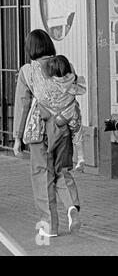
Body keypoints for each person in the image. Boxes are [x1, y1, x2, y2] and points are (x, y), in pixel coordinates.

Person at [13, 29, 81, 237]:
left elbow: (23, 105)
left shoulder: (27, 71)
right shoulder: (64, 65)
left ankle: (48, 226)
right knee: (62, 170)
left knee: (42, 176)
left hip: (39, 130)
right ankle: (71, 206)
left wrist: (17, 138)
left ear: (30, 48)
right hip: (62, 128)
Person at [39, 55, 86, 172]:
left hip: (58, 116)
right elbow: (82, 90)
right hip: (72, 113)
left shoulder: (50, 83)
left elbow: (43, 98)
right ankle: (80, 157)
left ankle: (51, 156)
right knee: (78, 134)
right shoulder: (72, 81)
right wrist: (73, 74)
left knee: (55, 138)